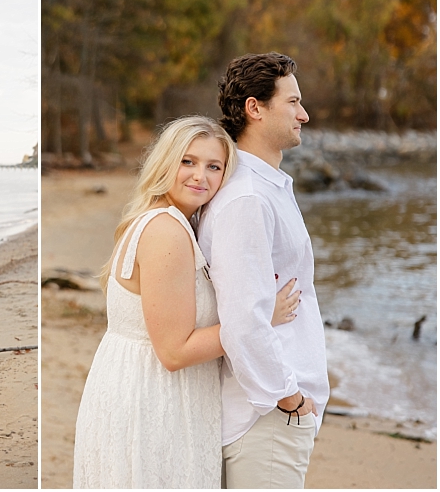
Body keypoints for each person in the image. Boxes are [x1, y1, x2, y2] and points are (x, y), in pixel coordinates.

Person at [72, 116, 300, 488]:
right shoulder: (167, 231)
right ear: (166, 163)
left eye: (214, 167)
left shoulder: (162, 221)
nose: (200, 176)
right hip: (154, 400)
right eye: (188, 162)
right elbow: (174, 352)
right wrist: (259, 319)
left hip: (135, 388)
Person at [198, 52, 330, 488]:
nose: (303, 114)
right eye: (292, 102)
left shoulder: (265, 188)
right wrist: (289, 399)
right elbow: (244, 323)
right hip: (266, 420)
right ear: (255, 108)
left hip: (273, 416)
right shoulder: (247, 198)